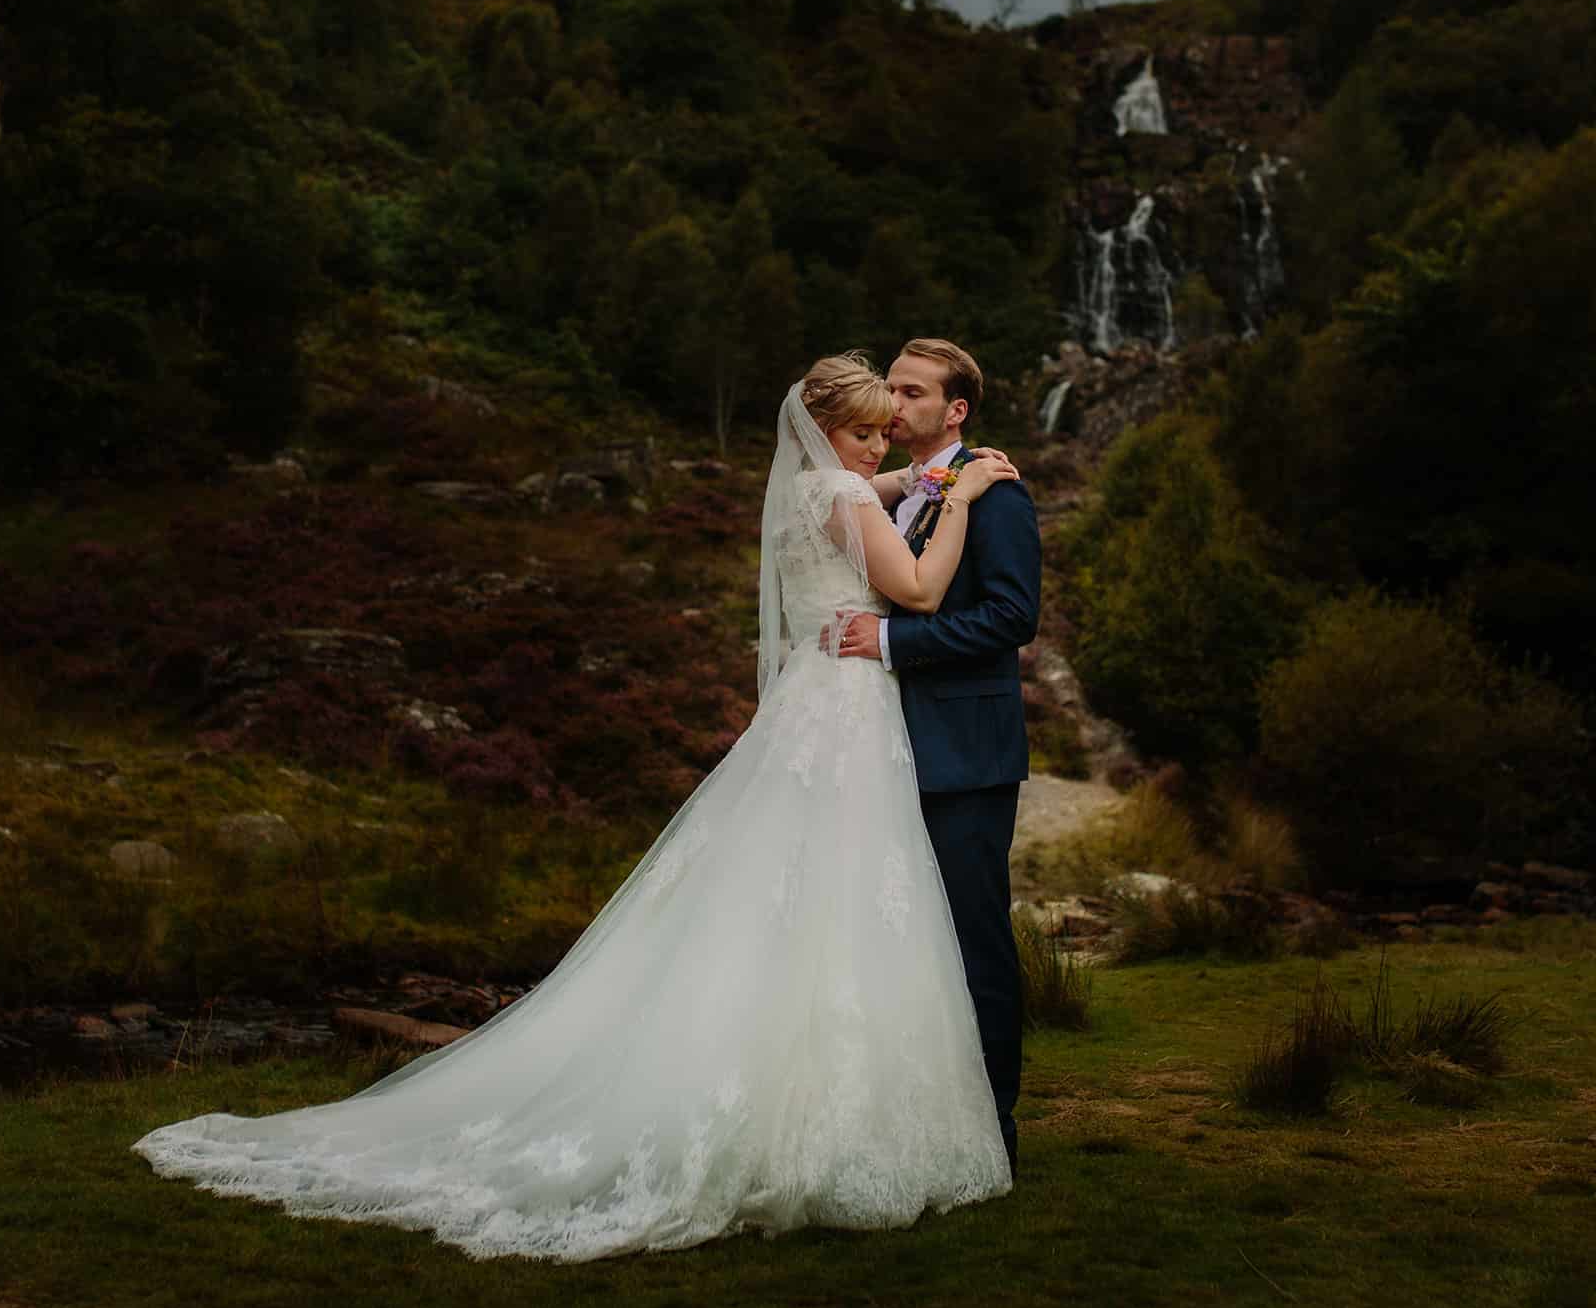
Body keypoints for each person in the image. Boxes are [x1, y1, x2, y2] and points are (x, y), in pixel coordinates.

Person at [132, 352, 1023, 1261]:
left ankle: (802, 1098)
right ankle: (828, 1118)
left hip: (812, 701)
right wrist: (953, 500)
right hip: (847, 707)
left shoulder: (805, 489)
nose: (881, 441)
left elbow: (866, 489)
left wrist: (915, 476)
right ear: (828, 431)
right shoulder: (851, 494)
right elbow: (913, 591)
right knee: (842, 898)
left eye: (889, 427)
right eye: (866, 429)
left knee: (788, 898)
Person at [823, 338, 1040, 1174]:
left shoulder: (996, 492)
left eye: (912, 392)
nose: (895, 403)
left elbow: (1011, 617)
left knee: (973, 940)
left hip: (967, 756)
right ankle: (917, 1122)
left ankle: (994, 1131)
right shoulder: (897, 492)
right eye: (890, 390)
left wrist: (890, 636)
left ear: (955, 409)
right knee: (900, 939)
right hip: (882, 749)